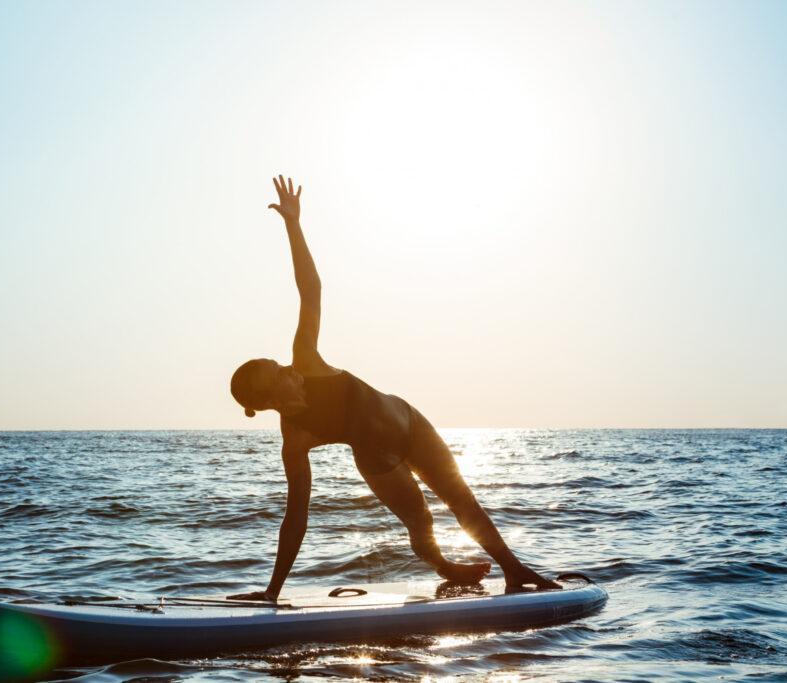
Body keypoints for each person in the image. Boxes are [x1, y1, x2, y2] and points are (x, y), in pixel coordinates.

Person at [228, 175, 561, 602]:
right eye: (279, 373)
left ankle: (514, 571)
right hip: (377, 457)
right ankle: (447, 568)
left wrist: (293, 225)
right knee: (420, 527)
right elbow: (296, 517)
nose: (289, 368)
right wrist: (272, 592)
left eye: (279, 364)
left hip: (408, 421)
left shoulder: (306, 358)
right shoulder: (295, 439)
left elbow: (310, 290)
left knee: (461, 499)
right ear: (269, 401)